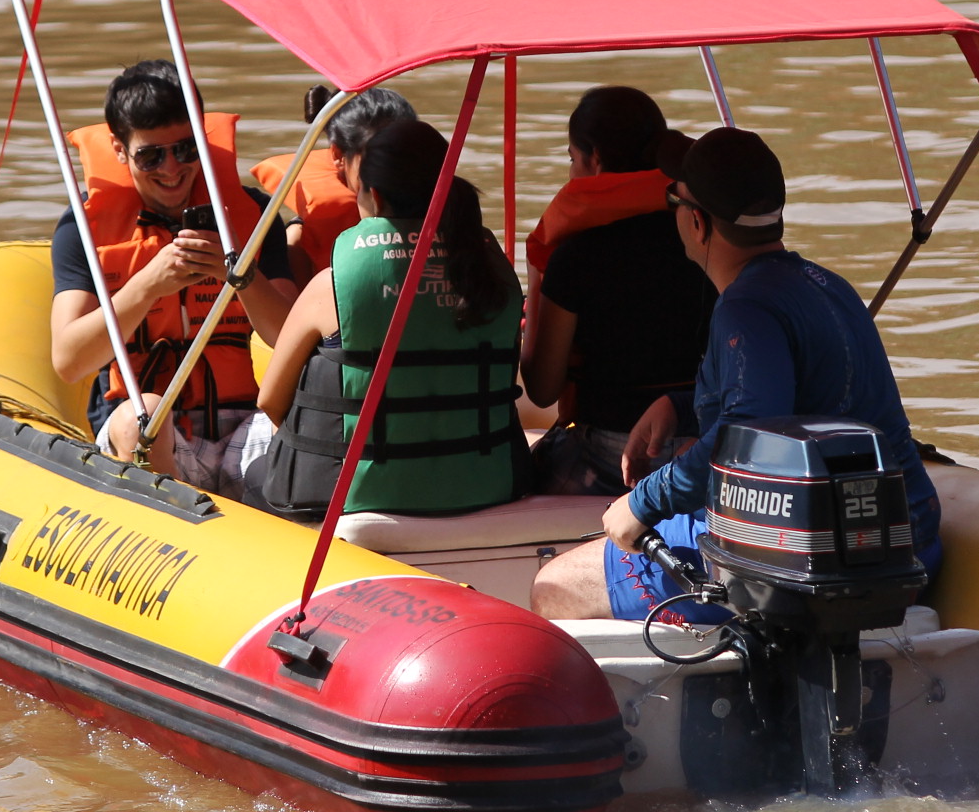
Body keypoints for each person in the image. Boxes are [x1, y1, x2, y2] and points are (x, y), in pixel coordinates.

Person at [528, 126, 941, 621]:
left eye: (671, 200)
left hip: (805, 563)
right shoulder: (828, 284)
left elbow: (747, 436)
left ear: (697, 223)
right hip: (907, 541)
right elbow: (801, 401)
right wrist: (678, 404)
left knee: (553, 586)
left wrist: (640, 503)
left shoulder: (745, 308)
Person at [249, 117, 527, 517]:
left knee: (252, 472)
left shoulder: (332, 285)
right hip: (491, 487)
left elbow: (271, 401)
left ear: (374, 197)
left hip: (349, 502)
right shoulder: (494, 276)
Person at [50, 61, 298, 493]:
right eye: (150, 155)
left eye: (185, 150)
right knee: (143, 414)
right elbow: (69, 361)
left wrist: (240, 275)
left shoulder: (253, 217)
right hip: (147, 430)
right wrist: (148, 285)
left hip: (242, 429)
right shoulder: (82, 230)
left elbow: (287, 336)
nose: (171, 169)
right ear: (119, 149)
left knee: (306, 424)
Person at [519, 87, 716, 500]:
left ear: (595, 160)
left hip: (610, 452)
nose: (572, 171)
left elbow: (542, 388)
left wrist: (538, 279)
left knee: (528, 468)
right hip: (703, 443)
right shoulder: (705, 237)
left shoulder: (574, 256)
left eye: (572, 159)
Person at [250, 84, 418, 281]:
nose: (391, 168)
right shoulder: (300, 240)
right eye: (377, 156)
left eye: (405, 154)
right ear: (338, 155)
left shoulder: (447, 217)